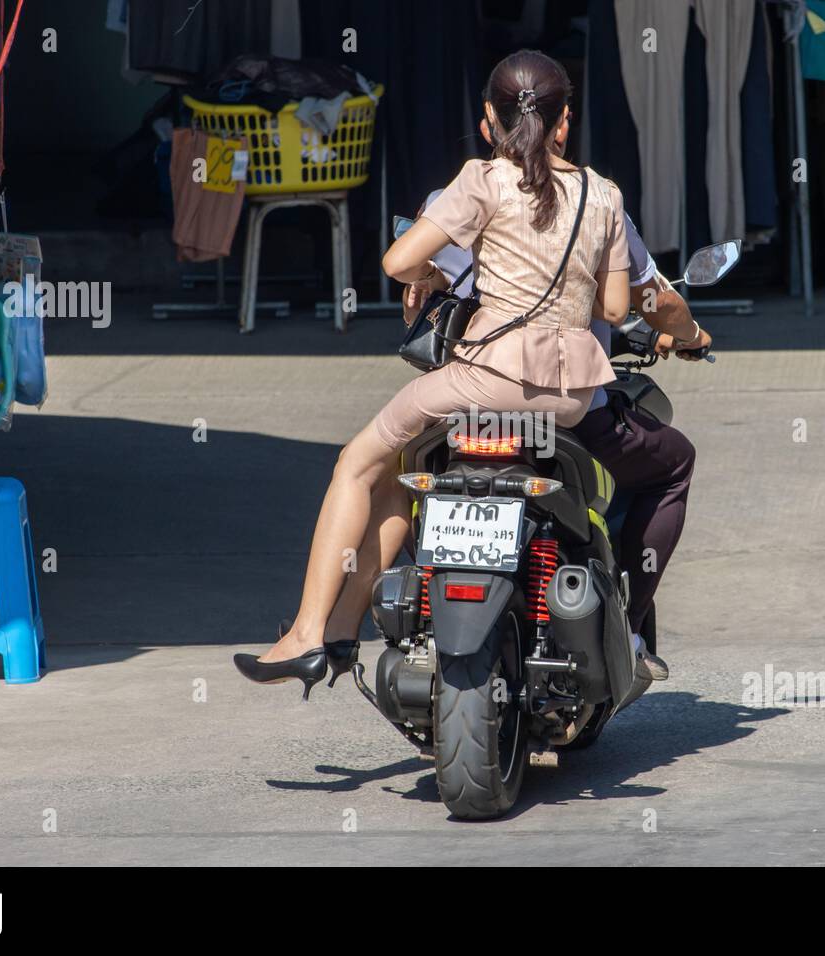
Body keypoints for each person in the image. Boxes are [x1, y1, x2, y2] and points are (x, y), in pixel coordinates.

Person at [234, 50, 631, 697]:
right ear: (564, 124)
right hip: (570, 398)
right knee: (396, 477)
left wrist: (437, 272)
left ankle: (308, 631)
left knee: (358, 463)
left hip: (483, 379)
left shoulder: (482, 181)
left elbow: (397, 262)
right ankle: (339, 629)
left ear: (488, 123)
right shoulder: (604, 195)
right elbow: (614, 308)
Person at [408, 198, 708, 682]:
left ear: (488, 123)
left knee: (390, 470)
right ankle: (627, 633)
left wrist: (427, 280)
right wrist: (690, 333)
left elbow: (406, 271)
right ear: (563, 122)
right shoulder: (595, 200)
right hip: (562, 407)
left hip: (461, 403)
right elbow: (645, 301)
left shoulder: (451, 198)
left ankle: (340, 630)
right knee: (674, 464)